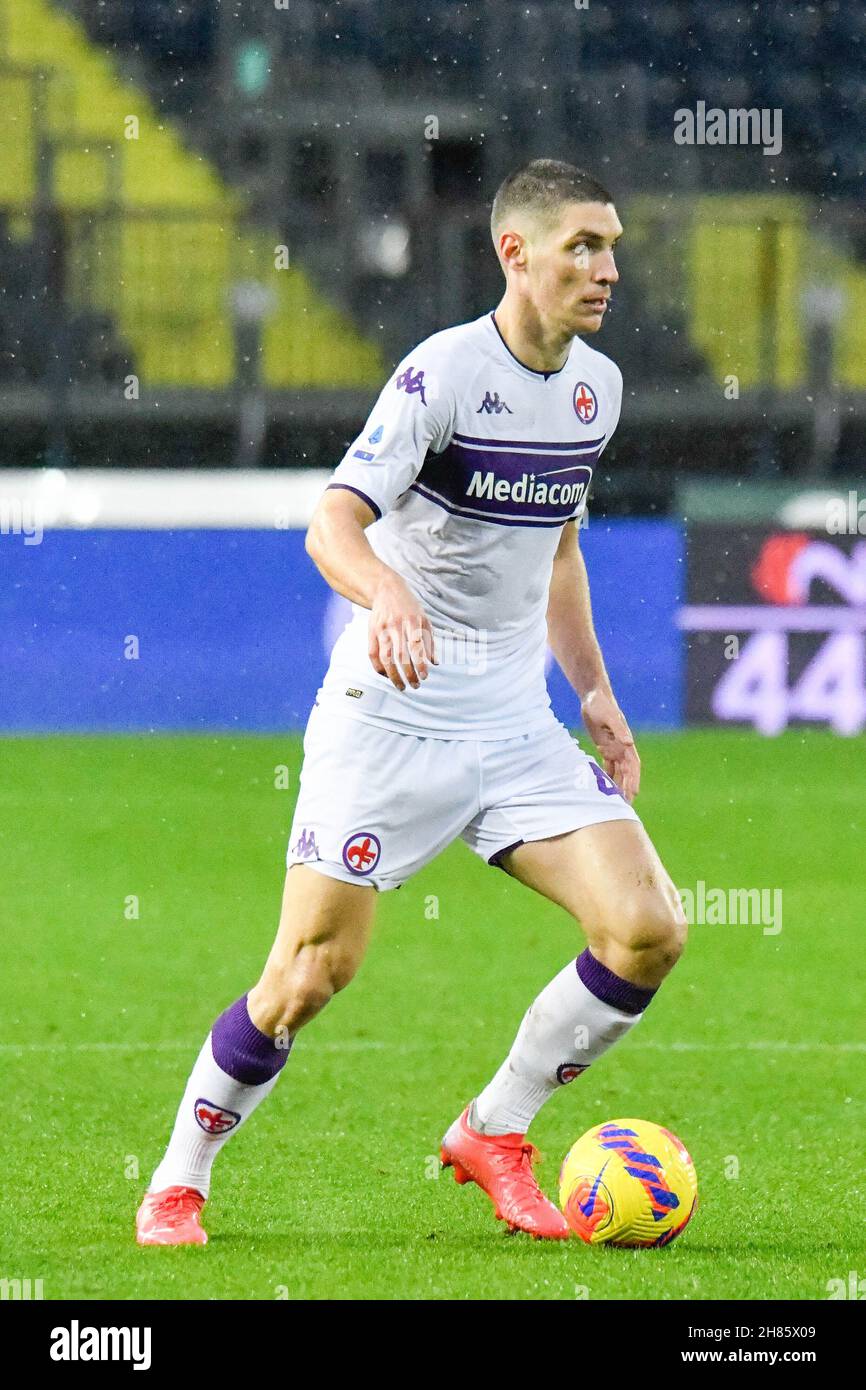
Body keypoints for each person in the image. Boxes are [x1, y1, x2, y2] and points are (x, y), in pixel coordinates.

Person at [136, 158, 687, 1246]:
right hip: (389, 714)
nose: (605, 267)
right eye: (581, 245)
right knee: (307, 976)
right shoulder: (441, 374)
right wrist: (384, 590)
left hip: (512, 720)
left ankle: (494, 1129)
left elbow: (559, 548)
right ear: (513, 253)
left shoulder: (597, 390)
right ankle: (178, 1175)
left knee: (647, 929)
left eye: (611, 245)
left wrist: (594, 691)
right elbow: (330, 522)